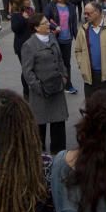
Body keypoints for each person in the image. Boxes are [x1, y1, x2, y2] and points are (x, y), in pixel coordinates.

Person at [22, 13, 69, 154]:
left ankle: (59, 155)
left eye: (47, 22)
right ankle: (40, 158)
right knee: (39, 126)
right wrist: (38, 87)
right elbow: (27, 72)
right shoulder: (29, 45)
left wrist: (64, 77)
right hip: (41, 93)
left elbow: (60, 60)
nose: (48, 24)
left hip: (57, 88)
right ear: (36, 27)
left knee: (58, 124)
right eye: (44, 23)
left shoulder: (53, 38)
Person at [44, 0, 79, 94]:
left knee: (66, 63)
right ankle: (54, 85)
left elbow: (74, 23)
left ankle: (68, 85)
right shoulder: (51, 6)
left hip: (67, 39)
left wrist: (78, 38)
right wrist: (54, 27)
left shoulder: (71, 6)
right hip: (55, 39)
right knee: (54, 62)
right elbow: (45, 19)